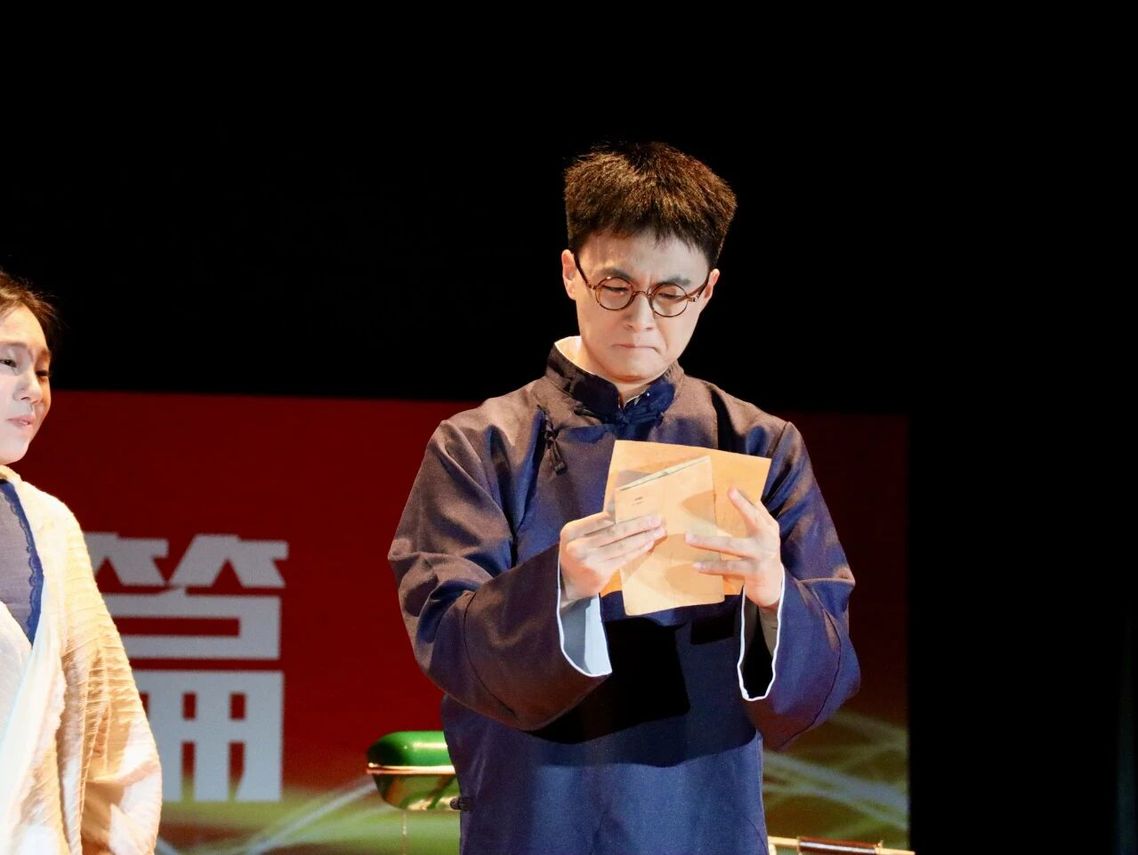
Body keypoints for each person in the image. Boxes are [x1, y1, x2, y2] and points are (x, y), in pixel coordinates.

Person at [389, 142, 859, 855]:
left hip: (702, 817)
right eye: (617, 286)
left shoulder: (760, 444)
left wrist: (773, 599)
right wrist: (561, 586)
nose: (643, 318)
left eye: (672, 293)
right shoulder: (481, 445)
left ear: (708, 291)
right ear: (570, 273)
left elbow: (826, 669)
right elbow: (446, 635)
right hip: (536, 813)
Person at [0, 270, 162, 854]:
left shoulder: (51, 527)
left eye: (42, 371)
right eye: (7, 363)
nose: (33, 391)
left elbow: (110, 733)